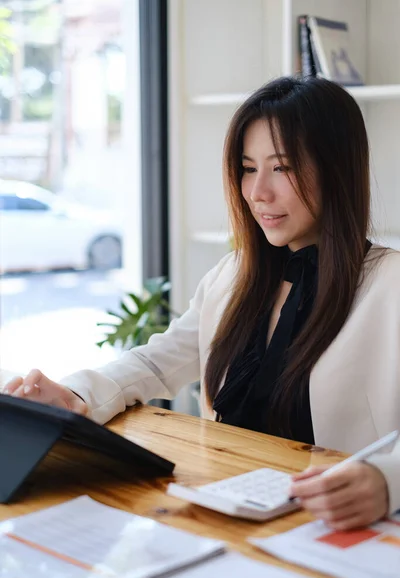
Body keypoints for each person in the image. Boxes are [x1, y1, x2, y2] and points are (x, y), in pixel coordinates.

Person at [5, 76, 400, 531]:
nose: (258, 192)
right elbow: (158, 362)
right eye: (248, 168)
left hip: (336, 526)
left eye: (283, 167)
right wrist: (76, 395)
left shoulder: (388, 285)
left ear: (338, 168)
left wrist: (387, 481)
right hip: (223, 507)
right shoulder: (236, 274)